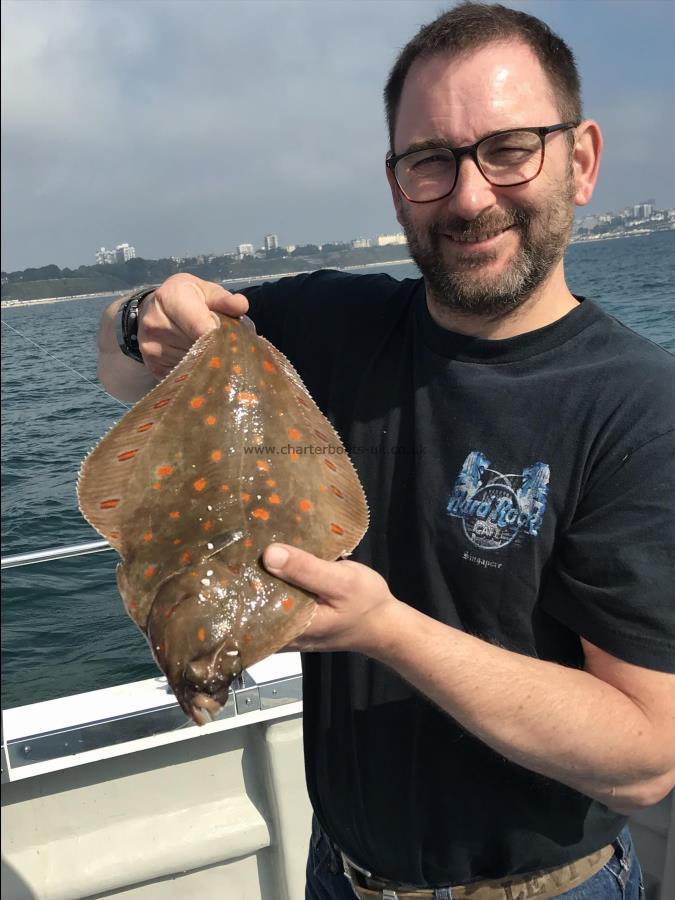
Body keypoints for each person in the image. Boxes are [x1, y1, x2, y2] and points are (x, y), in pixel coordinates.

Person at [97, 3, 675, 899]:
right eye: (431, 161)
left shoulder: (637, 408)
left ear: (582, 159)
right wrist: (142, 318)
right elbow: (122, 374)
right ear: (396, 182)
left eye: (510, 147)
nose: (471, 195)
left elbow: (645, 760)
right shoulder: (326, 323)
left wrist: (385, 632)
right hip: (339, 872)